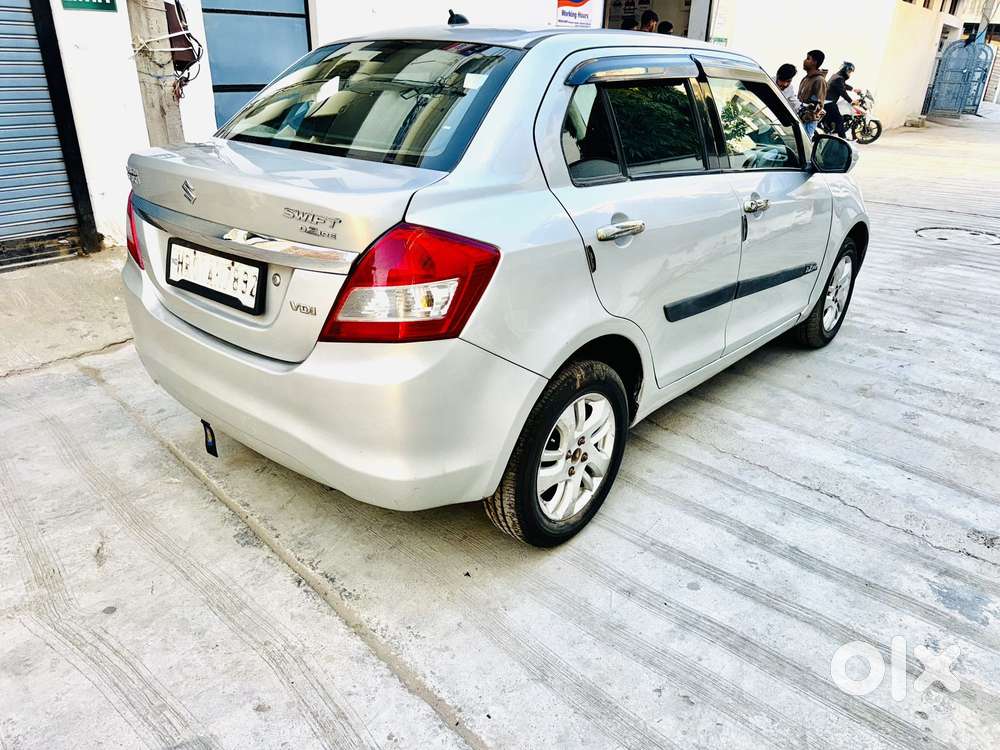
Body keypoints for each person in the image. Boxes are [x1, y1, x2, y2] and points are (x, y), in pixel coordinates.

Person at [797, 49, 828, 139]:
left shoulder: (819, 80)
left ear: (815, 62)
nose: (804, 61)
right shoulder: (806, 78)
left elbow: (818, 105)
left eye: (808, 58)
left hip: (807, 122)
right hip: (800, 119)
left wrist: (805, 117)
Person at [823, 62, 856, 138]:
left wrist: (853, 89)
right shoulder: (839, 79)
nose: (850, 74)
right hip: (829, 102)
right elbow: (842, 92)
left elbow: (843, 85)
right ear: (846, 70)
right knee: (839, 119)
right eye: (849, 72)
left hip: (826, 100)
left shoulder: (836, 76)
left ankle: (830, 130)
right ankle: (843, 138)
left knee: (834, 117)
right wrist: (851, 101)